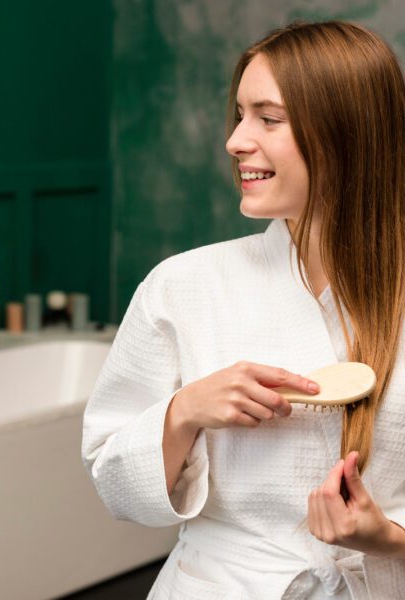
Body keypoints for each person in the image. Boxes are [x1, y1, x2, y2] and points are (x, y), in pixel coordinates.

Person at [82, 21, 405, 599]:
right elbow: (114, 483)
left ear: (348, 131)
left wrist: (389, 538)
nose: (235, 141)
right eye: (238, 115)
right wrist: (185, 411)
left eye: (268, 118)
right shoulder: (183, 286)